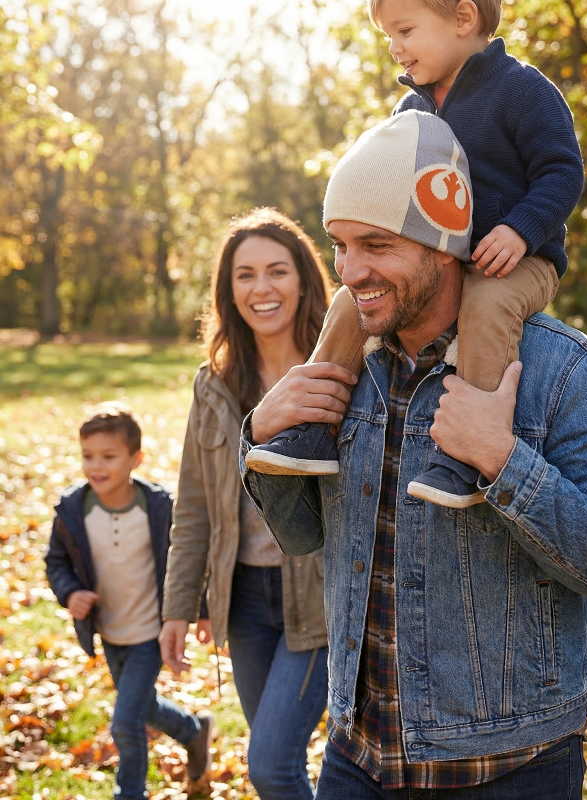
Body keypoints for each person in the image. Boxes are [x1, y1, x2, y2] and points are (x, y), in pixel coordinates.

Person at [240, 111, 587, 799]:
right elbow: (302, 535)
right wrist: (260, 440)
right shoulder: (350, 369)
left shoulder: (565, 372)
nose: (351, 272)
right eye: (340, 246)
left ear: (444, 246)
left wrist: (503, 461)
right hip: (358, 757)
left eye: (376, 245)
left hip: (509, 767)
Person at [246, 0, 584, 510]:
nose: (394, 48)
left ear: (464, 18)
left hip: (518, 260)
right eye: (387, 36)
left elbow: (562, 170)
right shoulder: (412, 112)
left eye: (404, 30)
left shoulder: (521, 89)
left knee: (488, 306)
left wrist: (521, 229)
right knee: (347, 303)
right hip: (439, 264)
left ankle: (464, 451)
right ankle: (313, 427)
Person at [158, 208, 332, 800]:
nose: (262, 289)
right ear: (228, 291)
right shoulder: (214, 384)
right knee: (277, 760)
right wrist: (179, 605)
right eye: (245, 275)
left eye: (277, 271)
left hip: (321, 597)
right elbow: (195, 507)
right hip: (245, 604)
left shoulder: (341, 369)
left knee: (270, 765)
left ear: (304, 280)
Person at [45, 402, 213, 800]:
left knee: (125, 723)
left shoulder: (157, 507)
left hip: (151, 634)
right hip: (110, 631)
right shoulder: (73, 509)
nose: (95, 466)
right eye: (88, 456)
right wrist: (70, 592)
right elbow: (56, 561)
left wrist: (201, 609)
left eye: (108, 456)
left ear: (136, 459)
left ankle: (130, 793)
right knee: (143, 706)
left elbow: (187, 559)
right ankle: (193, 731)